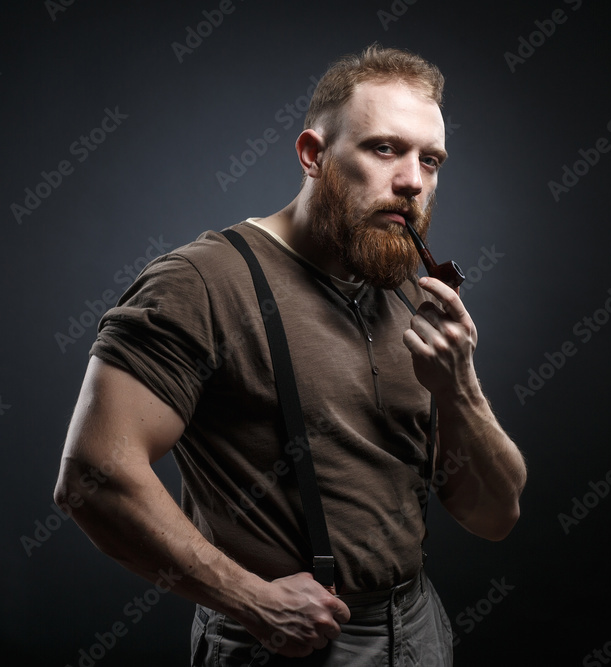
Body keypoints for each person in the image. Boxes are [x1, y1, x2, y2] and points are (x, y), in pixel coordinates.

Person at [54, 44, 527, 666]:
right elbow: (93, 477)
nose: (413, 180)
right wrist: (248, 599)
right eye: (384, 149)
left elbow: (494, 515)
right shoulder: (202, 282)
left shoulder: (412, 290)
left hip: (419, 629)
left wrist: (459, 385)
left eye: (430, 160)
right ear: (313, 155)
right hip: (288, 644)